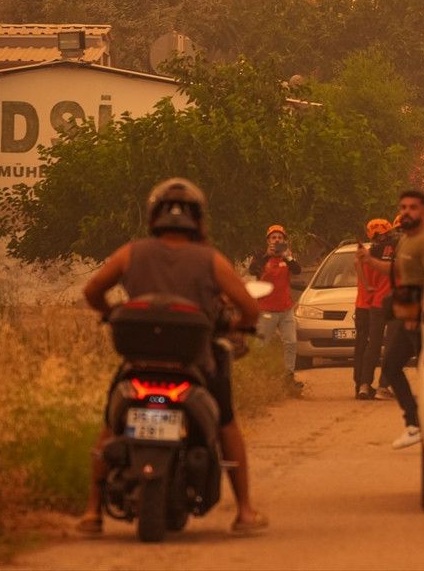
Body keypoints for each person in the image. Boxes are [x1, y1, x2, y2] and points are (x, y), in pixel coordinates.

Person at [77, 178, 268, 534]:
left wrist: (112, 313)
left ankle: (92, 512)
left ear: (153, 217)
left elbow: (92, 291)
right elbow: (250, 309)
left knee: (110, 424)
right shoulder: (211, 260)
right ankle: (244, 511)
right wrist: (235, 325)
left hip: (138, 363)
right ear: (198, 219)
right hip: (196, 364)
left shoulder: (131, 253)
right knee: (225, 422)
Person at [362, 190, 424, 449]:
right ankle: (414, 424)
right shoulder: (404, 241)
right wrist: (370, 261)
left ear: (423, 211)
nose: (406, 212)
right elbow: (397, 270)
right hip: (407, 316)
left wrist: (417, 312)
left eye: (413, 207)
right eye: (403, 207)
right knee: (391, 366)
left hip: (423, 318)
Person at [247, 224, 303, 388]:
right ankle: (257, 378)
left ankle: (289, 376)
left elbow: (297, 270)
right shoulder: (261, 257)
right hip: (266, 310)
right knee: (261, 345)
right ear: (268, 241)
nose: (277, 240)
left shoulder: (287, 258)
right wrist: (267, 256)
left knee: (291, 342)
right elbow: (252, 270)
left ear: (284, 240)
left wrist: (288, 257)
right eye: (273, 237)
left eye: (280, 237)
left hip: (285, 309)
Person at [353, 218, 395, 400]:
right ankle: (383, 387)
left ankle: (363, 385)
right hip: (395, 304)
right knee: (392, 346)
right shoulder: (399, 249)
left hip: (376, 304)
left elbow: (367, 283)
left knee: (372, 346)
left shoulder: (369, 255)